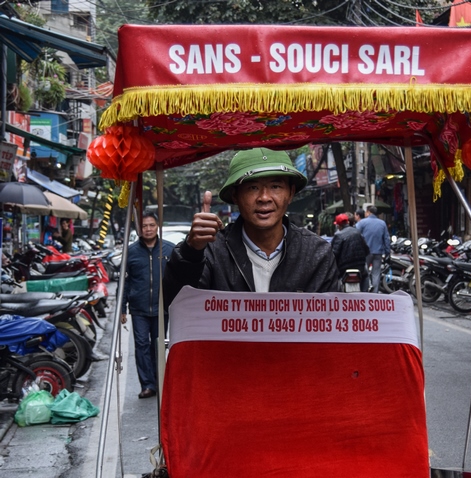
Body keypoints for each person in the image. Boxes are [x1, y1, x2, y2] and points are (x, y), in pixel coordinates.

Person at [163, 148, 339, 307]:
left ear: (290, 193)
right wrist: (191, 252)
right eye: (253, 187)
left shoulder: (316, 253)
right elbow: (176, 305)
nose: (264, 197)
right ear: (235, 196)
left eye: (275, 186)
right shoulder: (211, 251)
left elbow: (328, 323)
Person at [122, 211, 176, 398]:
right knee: (141, 344)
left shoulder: (169, 250)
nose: (148, 229)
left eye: (151, 225)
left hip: (162, 307)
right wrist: (122, 308)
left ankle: (159, 380)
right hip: (139, 308)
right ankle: (147, 384)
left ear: (157, 226)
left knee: (158, 345)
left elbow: (177, 279)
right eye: (144, 226)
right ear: (139, 228)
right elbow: (125, 282)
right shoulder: (131, 252)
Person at [355, 205, 390, 293]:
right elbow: (386, 239)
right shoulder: (382, 223)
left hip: (365, 253)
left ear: (368, 212)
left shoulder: (362, 223)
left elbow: (355, 234)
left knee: (364, 272)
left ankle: (366, 288)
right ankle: (375, 292)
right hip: (378, 252)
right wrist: (387, 252)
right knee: (376, 273)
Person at [331, 213, 370, 291]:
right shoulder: (357, 232)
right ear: (347, 222)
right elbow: (367, 250)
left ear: (338, 225)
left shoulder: (338, 235)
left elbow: (334, 254)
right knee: (366, 276)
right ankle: (366, 293)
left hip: (343, 268)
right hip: (360, 267)